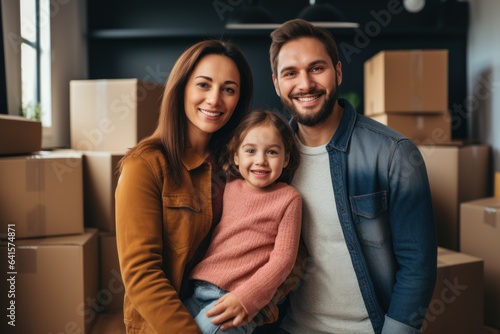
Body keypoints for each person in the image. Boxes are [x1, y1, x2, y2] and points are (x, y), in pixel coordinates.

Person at [268, 19, 438, 334]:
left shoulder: (394, 154)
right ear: (277, 83)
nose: (305, 84)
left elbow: (418, 267)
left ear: (338, 72)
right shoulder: (270, 160)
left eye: (316, 68)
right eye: (291, 73)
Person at [114, 39, 254, 333]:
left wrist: (252, 301)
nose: (215, 100)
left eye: (229, 90)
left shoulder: (240, 165)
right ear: (182, 88)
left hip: (227, 321)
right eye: (203, 85)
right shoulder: (145, 165)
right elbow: (142, 275)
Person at [184, 108, 303, 333]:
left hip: (233, 300)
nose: (260, 161)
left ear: (286, 158)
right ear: (236, 156)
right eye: (250, 151)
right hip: (198, 290)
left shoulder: (289, 198)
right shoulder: (228, 187)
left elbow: (283, 260)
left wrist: (247, 298)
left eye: (272, 152)